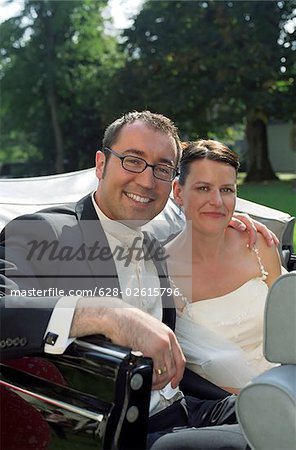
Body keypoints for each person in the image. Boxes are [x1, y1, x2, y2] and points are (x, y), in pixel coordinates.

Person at [1, 111, 278, 449]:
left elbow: (201, 221)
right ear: (101, 165)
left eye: (161, 169)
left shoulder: (154, 247)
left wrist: (225, 217)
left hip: (192, 408)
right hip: (123, 431)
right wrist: (105, 313)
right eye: (133, 161)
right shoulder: (47, 232)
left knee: (282, 413)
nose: (147, 182)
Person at [166, 139, 283, 394]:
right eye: (203, 188)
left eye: (227, 190)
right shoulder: (165, 272)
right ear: (178, 192)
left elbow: (288, 321)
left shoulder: (259, 245)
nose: (217, 201)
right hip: (231, 403)